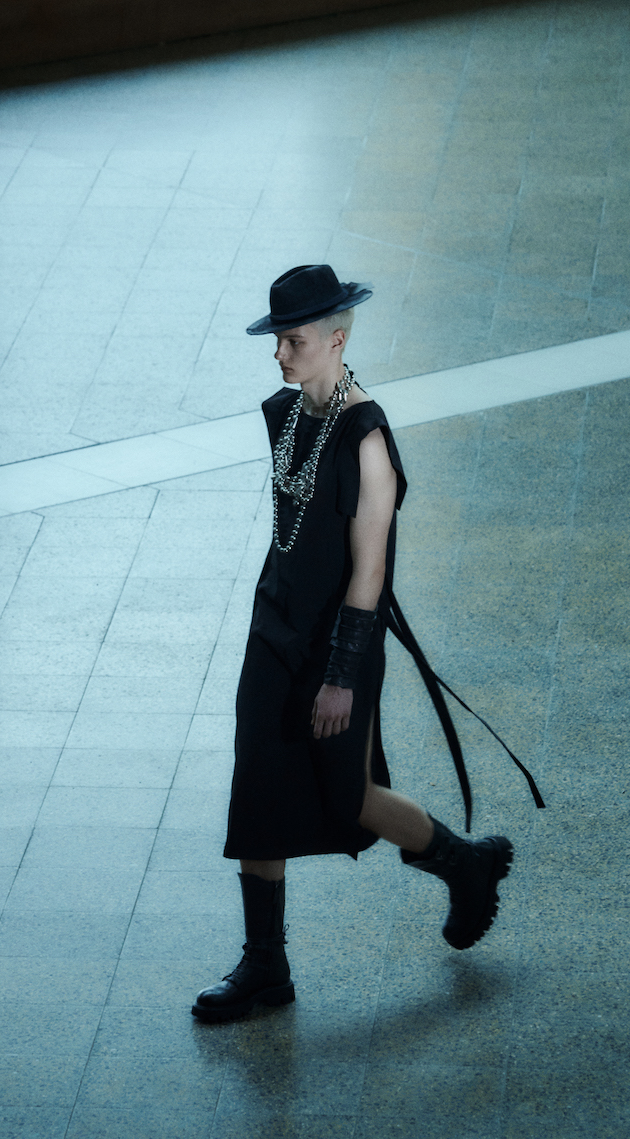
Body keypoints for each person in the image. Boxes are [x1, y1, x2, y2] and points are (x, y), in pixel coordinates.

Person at [191, 265, 514, 1024]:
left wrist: (340, 676)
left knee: (348, 793)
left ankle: (465, 864)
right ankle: (265, 965)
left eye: (294, 341)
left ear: (336, 340)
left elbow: (370, 571)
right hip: (273, 631)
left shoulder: (367, 440)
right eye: (277, 340)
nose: (280, 354)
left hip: (338, 645)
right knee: (258, 783)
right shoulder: (287, 414)